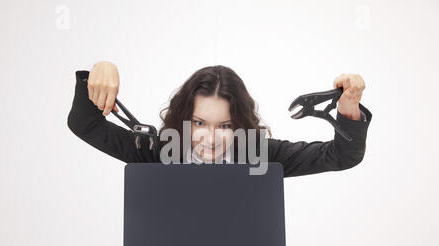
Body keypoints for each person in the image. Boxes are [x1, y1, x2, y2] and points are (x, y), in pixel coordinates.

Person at [67, 61, 372, 177]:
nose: (210, 139)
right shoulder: (157, 152)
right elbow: (85, 123)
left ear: (239, 126)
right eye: (199, 123)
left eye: (224, 126)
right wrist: (99, 70)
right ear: (184, 119)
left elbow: (341, 157)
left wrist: (347, 109)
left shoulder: (259, 156)